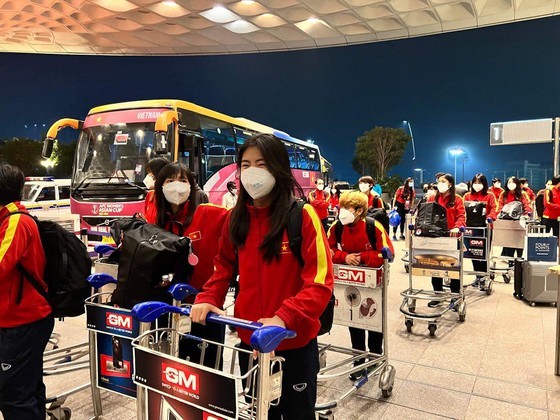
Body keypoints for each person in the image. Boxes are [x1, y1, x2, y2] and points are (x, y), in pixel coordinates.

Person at [191, 133, 333, 420]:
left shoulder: (302, 216)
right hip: (251, 341)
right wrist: (208, 297)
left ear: (278, 169)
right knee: (258, 413)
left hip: (293, 343)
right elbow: (223, 267)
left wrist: (283, 318)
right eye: (246, 165)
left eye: (261, 164)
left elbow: (320, 282)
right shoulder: (235, 219)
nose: (252, 172)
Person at [149, 162, 229, 368]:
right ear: (160, 186)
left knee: (207, 372)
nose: (177, 186)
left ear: (192, 186)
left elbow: (241, 221)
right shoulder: (155, 220)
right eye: (170, 180)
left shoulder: (208, 213)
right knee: (170, 371)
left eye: (183, 180)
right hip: (166, 309)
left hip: (203, 309)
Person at [0, 163, 54, 419]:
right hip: (15, 321)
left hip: (22, 322)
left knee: (14, 396)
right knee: (27, 388)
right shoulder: (6, 221)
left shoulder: (16, 222)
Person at [327, 191, 394, 380]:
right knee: (354, 319)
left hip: (373, 282)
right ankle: (358, 358)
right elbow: (327, 249)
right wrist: (344, 257)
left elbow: (388, 253)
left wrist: (363, 257)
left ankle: (375, 356)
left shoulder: (374, 227)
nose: (342, 211)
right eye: (341, 207)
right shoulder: (336, 227)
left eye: (347, 208)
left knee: (374, 318)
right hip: (350, 281)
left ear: (359, 211)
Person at [427, 173, 466, 308]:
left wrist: (457, 227)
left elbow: (461, 216)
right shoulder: (433, 198)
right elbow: (426, 215)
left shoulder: (457, 199)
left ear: (450, 184)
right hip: (435, 237)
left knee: (453, 268)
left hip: (451, 237)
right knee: (435, 268)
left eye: (443, 181)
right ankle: (438, 295)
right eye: (439, 181)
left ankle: (455, 297)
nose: (440, 183)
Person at [463, 173, 497, 286]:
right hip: (471, 229)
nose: (477, 185)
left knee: (483, 254)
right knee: (472, 253)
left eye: (480, 182)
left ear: (484, 184)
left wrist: (490, 218)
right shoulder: (467, 196)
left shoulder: (490, 196)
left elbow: (494, 209)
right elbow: (462, 210)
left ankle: (484, 277)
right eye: (475, 182)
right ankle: (478, 276)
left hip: (485, 228)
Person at [497, 176, 532, 261]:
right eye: (509, 182)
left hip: (519, 222)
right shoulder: (503, 194)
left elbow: (527, 205)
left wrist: (527, 214)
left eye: (513, 182)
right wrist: (498, 214)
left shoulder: (522, 194)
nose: (511, 184)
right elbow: (499, 206)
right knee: (509, 245)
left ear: (517, 184)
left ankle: (519, 263)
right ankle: (510, 263)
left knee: (519, 244)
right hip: (507, 223)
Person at [142, 157, 169, 222]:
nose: (148, 176)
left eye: (151, 174)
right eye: (148, 173)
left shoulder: (169, 197)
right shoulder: (150, 195)